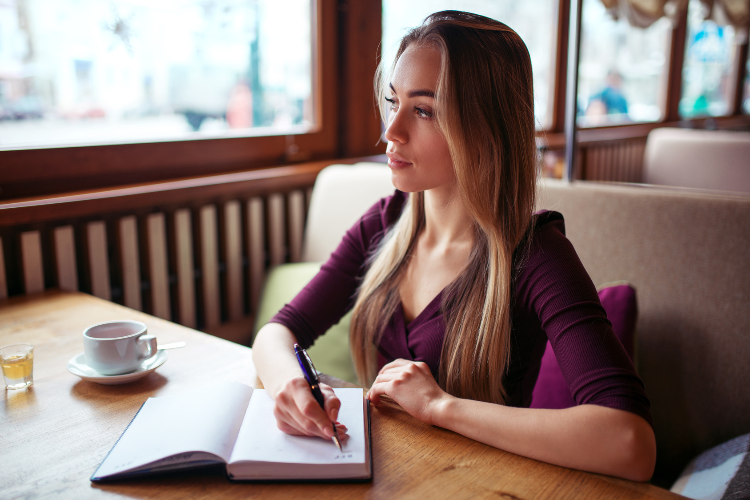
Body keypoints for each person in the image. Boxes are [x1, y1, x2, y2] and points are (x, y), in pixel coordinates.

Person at [252, 11, 656, 482]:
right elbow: (278, 332)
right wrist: (290, 384)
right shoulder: (382, 225)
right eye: (393, 102)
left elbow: (630, 441)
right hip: (383, 477)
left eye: (423, 110)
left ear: (487, 128)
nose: (391, 132)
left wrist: (440, 406)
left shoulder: (535, 255)